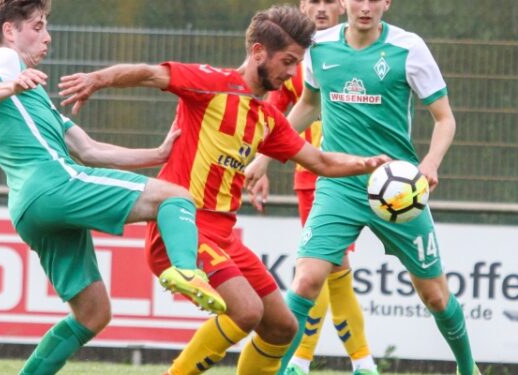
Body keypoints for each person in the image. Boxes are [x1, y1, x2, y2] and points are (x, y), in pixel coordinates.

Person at [58, 5, 389, 374]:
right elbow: (150, 74)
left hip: (224, 237)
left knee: (282, 327)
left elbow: (321, 161)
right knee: (247, 311)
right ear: (259, 52)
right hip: (182, 228)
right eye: (288, 61)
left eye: (298, 63)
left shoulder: (267, 119)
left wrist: (368, 164)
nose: (293, 73)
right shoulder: (210, 84)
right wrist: (98, 79)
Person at [0, 1, 229, 374]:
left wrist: (157, 153)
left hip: (28, 209)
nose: (47, 36)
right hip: (53, 184)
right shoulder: (5, 60)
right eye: (37, 27)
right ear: (10, 31)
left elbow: (90, 149)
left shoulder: (35, 97)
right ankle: (186, 270)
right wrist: (9, 83)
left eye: (46, 26)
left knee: (93, 313)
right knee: (177, 197)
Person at [247, 0, 480, 374]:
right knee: (305, 281)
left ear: (387, 2)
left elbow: (445, 119)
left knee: (435, 296)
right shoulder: (319, 48)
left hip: (398, 190)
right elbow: (308, 104)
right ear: (344, 2)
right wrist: (265, 157)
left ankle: (469, 369)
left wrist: (430, 164)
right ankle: (276, 370)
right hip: (338, 186)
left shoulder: (409, 49)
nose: (366, 6)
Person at [257, 1, 378, 374]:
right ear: (302, 6)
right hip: (311, 179)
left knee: (321, 269)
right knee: (329, 268)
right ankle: (357, 362)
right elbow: (273, 118)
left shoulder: (359, 51)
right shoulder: (291, 62)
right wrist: (260, 164)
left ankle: (303, 360)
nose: (321, 9)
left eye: (329, 2)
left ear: (342, 7)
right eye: (314, 2)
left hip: (355, 176)